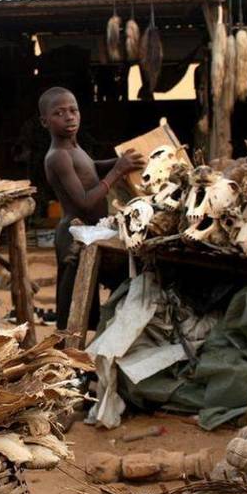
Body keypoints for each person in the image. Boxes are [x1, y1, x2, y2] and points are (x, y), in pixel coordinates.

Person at [41, 86, 145, 329]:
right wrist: (118, 171)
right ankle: (67, 358)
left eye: (73, 110)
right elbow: (85, 201)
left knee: (88, 297)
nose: (69, 117)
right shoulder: (58, 156)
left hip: (90, 232)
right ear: (44, 121)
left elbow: (92, 167)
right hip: (73, 236)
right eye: (59, 113)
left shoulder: (74, 148)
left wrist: (119, 162)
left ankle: (85, 351)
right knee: (73, 305)